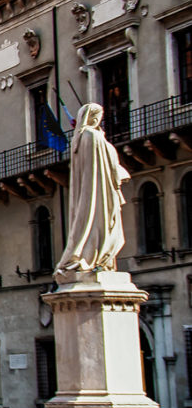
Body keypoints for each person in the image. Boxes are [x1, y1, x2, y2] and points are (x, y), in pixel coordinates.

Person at [55, 103, 131, 279]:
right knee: (103, 224)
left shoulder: (80, 139)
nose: (100, 120)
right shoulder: (92, 136)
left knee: (95, 225)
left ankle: (92, 257)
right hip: (100, 192)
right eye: (99, 115)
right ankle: (96, 257)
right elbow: (108, 166)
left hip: (93, 191)